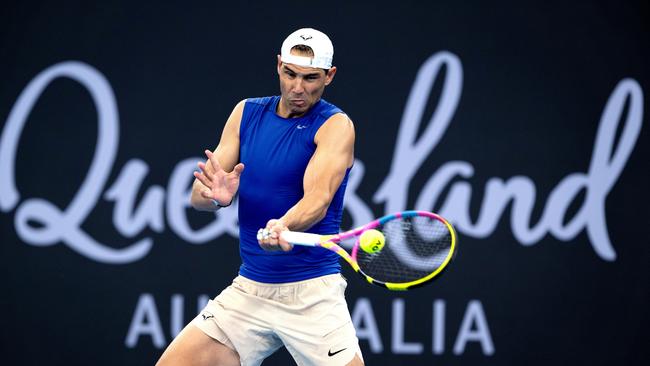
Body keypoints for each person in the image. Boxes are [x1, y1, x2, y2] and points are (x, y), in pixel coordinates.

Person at [156, 28, 364, 366]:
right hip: (251, 288)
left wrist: (284, 224)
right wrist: (214, 196)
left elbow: (319, 198)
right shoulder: (246, 113)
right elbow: (198, 196)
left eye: (311, 78)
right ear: (278, 65)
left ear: (329, 76)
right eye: (290, 73)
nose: (298, 87)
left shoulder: (336, 126)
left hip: (311, 295)